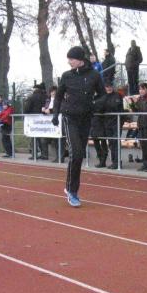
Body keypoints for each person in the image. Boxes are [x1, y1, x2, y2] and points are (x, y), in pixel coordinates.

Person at [52, 46, 105, 207]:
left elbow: (102, 95)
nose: (69, 62)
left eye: (71, 59)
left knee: (79, 155)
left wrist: (93, 106)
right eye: (68, 59)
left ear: (80, 60)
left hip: (85, 119)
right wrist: (55, 114)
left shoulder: (94, 75)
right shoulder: (66, 76)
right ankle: (72, 191)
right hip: (69, 118)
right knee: (75, 152)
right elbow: (58, 97)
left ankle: (70, 187)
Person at [92, 82, 123, 169]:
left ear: (112, 87)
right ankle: (114, 162)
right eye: (107, 86)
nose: (108, 88)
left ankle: (117, 162)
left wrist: (102, 104)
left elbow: (115, 106)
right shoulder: (104, 97)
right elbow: (98, 108)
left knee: (115, 142)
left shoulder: (117, 95)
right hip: (108, 123)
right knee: (111, 143)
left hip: (116, 122)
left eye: (110, 86)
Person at [131, 82, 147, 172]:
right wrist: (132, 103)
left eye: (142, 89)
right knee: (143, 145)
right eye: (140, 89)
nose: (140, 91)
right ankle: (145, 164)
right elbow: (136, 111)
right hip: (141, 124)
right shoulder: (140, 99)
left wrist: (137, 103)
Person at [24, 83, 49, 160]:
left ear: (35, 89)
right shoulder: (46, 97)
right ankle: (45, 155)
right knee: (43, 137)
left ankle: (34, 155)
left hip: (34, 120)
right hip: (45, 120)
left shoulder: (32, 97)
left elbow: (26, 109)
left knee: (34, 137)